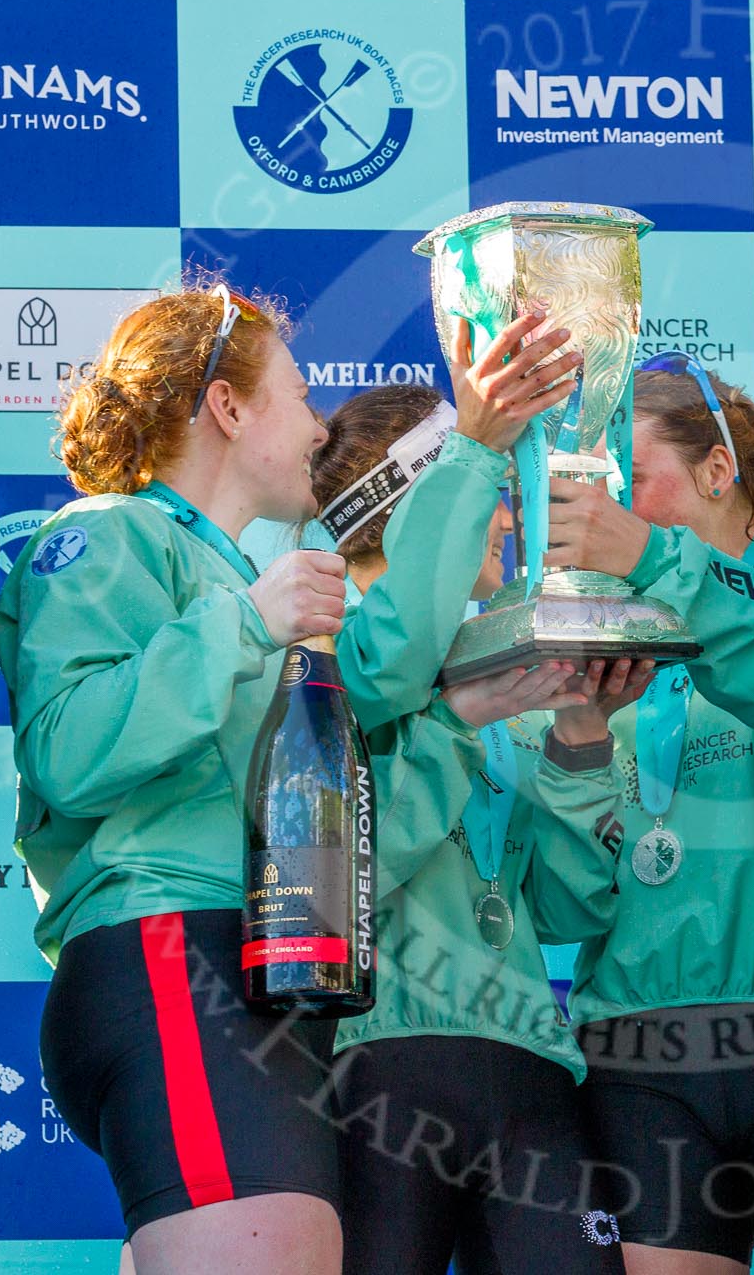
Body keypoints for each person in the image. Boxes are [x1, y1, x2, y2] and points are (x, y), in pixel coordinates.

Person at [0, 290, 583, 1273]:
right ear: (227, 406)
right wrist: (244, 626)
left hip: (272, 965)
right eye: (301, 396)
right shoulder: (110, 533)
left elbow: (386, 660)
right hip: (170, 945)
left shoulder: (252, 583)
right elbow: (69, 750)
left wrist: (476, 453)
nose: (319, 428)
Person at [300, 361, 651, 1275]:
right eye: (487, 493)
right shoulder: (324, 661)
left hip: (528, 1059)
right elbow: (334, 888)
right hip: (374, 1057)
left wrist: (581, 741)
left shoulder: (501, 671)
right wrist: (450, 729)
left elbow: (569, 910)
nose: (504, 519)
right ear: (420, 508)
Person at [533, 353, 754, 1274]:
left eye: (633, 481)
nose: (607, 511)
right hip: (636, 1053)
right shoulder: (587, 630)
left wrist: (654, 563)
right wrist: (577, 739)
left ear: (718, 470)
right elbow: (564, 906)